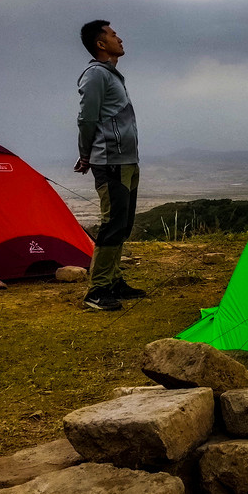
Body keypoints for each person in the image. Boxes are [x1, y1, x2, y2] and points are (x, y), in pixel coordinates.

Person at [75, 20, 146, 310]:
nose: (120, 38)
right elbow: (87, 118)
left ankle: (114, 281)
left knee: (123, 224)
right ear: (101, 44)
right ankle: (97, 290)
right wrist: (86, 154)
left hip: (127, 159)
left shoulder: (112, 75)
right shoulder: (95, 75)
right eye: (114, 34)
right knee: (112, 224)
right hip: (110, 160)